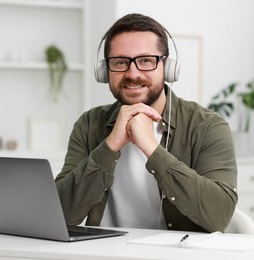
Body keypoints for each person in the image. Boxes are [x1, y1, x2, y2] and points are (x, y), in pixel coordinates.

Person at [55, 13, 237, 233]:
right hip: (102, 253)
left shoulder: (208, 126)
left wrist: (151, 148)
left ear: (167, 68)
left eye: (145, 61)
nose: (133, 73)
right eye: (120, 62)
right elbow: (60, 214)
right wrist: (110, 146)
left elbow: (219, 216)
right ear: (104, 72)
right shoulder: (89, 124)